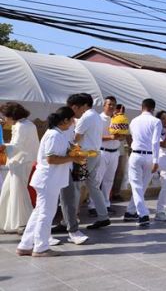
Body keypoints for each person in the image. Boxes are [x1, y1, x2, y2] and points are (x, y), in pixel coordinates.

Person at [17, 107, 85, 257]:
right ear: (65, 120)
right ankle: (40, 247)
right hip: (49, 179)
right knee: (46, 213)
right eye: (72, 119)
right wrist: (73, 158)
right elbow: (51, 159)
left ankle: (25, 244)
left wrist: (73, 153)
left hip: (49, 179)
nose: (73, 122)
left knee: (39, 212)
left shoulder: (57, 134)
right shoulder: (54, 135)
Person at [53, 92, 93, 245]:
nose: (84, 112)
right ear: (75, 107)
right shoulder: (60, 126)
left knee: (69, 198)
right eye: (83, 109)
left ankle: (72, 229)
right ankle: (39, 234)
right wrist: (74, 155)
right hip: (56, 169)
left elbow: (69, 143)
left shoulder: (71, 122)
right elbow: (52, 155)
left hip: (67, 167)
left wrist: (77, 152)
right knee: (47, 206)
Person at [0, 102, 39, 234]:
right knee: (9, 191)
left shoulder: (22, 126)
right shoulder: (28, 124)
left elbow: (16, 145)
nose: (4, 119)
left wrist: (3, 146)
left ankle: (25, 222)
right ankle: (6, 222)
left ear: (11, 115)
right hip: (21, 161)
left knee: (19, 192)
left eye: (5, 116)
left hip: (20, 162)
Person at [123, 98, 161, 227]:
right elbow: (155, 142)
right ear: (153, 109)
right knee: (141, 186)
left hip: (135, 154)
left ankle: (130, 211)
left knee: (137, 186)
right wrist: (156, 160)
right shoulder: (156, 121)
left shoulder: (134, 121)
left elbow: (133, 137)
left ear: (142, 107)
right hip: (149, 156)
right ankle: (142, 213)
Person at [75, 96, 111, 230]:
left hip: (85, 156)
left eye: (76, 107)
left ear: (83, 105)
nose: (75, 110)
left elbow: (76, 137)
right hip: (95, 154)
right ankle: (103, 216)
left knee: (76, 185)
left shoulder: (86, 117)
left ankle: (71, 218)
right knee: (93, 186)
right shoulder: (96, 116)